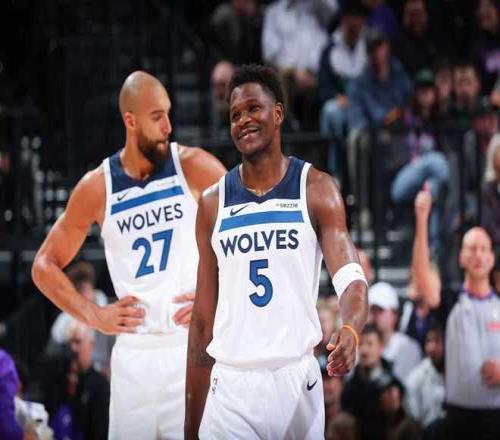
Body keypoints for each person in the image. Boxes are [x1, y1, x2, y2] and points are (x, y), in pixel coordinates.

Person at [31, 71, 226, 440]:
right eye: (157, 116)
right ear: (130, 121)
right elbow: (43, 265)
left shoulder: (194, 166)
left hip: (189, 345)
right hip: (133, 356)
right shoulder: (98, 186)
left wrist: (217, 298)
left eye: (168, 114)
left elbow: (246, 230)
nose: (168, 126)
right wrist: (93, 314)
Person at [185, 64, 368, 439]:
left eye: (254, 108)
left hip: (295, 380)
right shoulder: (212, 203)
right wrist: (191, 424)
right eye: (235, 114)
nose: (243, 120)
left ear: (279, 113)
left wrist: (351, 328)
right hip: (232, 383)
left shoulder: (316, 189)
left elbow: (352, 280)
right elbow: (202, 319)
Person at [413, 185, 500, 439]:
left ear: (492, 259)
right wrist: (422, 220)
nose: (478, 255)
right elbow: (422, 279)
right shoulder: (452, 301)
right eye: (472, 248)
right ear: (461, 257)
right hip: (459, 418)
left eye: (483, 249)